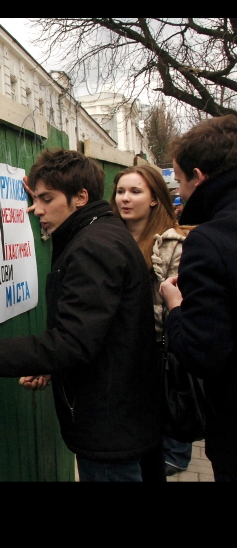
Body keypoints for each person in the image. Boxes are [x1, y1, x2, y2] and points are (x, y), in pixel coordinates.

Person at [0, 148, 160, 482]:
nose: (36, 209)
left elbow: (74, 342)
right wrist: (48, 366)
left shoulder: (93, 246)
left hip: (109, 429)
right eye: (36, 198)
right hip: (121, 419)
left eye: (47, 199)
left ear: (80, 197)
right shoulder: (102, 232)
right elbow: (98, 331)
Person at [159, 115, 237, 482]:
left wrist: (176, 307)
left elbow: (201, 353)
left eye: (178, 180)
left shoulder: (208, 241)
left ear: (198, 176)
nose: (180, 191)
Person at [110, 165, 192, 478]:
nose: (125, 199)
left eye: (135, 191)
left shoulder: (172, 245)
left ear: (155, 198)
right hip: (119, 365)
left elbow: (176, 306)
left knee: (149, 455)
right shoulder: (108, 236)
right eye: (120, 191)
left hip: (155, 363)